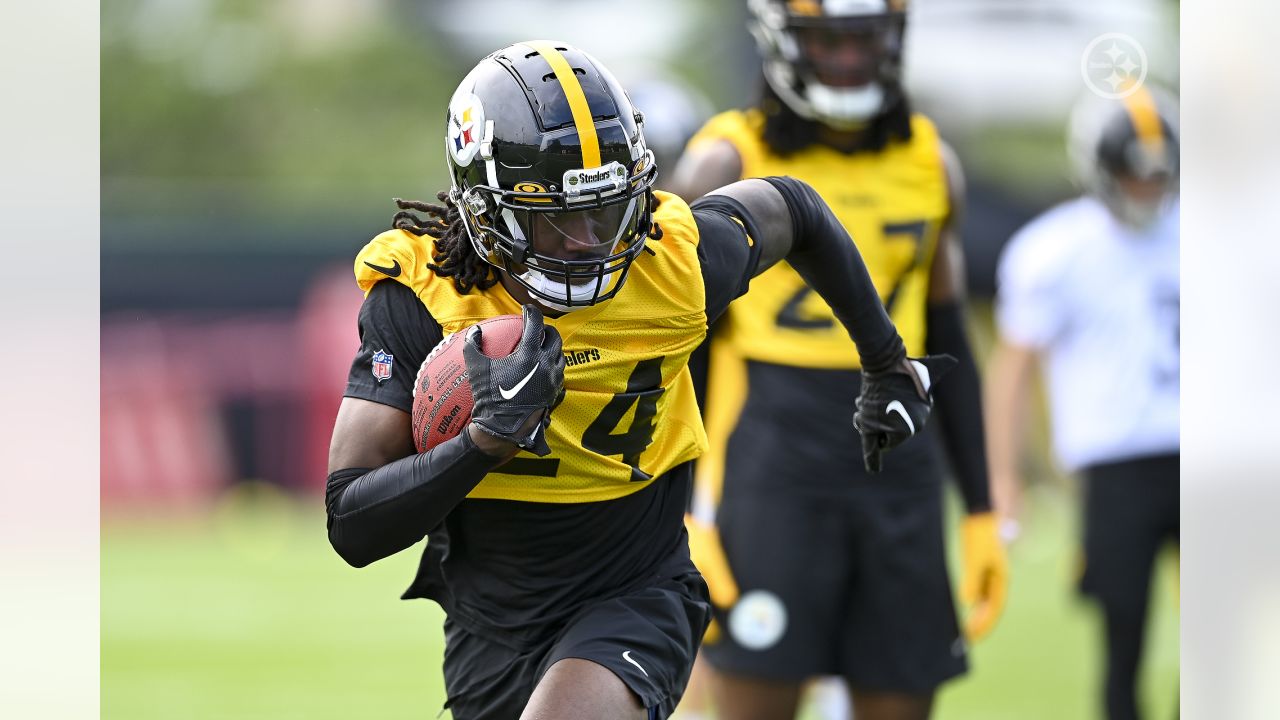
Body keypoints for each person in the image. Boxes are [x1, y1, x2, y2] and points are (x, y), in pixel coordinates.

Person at [323, 41, 952, 720]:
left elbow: (796, 209)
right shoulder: (422, 298)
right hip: (493, 618)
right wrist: (481, 444)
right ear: (483, 209)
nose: (588, 239)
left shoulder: (672, 263)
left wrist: (885, 360)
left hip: (637, 589)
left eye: (607, 208)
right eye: (554, 215)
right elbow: (352, 522)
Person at [666, 2, 1008, 719]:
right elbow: (672, 347)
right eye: (827, 39)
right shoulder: (727, 159)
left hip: (902, 475)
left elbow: (948, 334)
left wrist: (979, 508)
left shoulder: (930, 162)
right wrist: (679, 513)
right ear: (783, 41)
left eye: (865, 38)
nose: (849, 59)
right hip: (774, 472)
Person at [986, 84, 1179, 720]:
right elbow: (1014, 368)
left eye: (1159, 177)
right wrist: (1005, 477)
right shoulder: (1055, 251)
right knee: (1123, 634)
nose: (1148, 190)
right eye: (1135, 175)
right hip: (1115, 460)